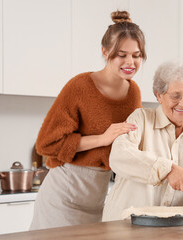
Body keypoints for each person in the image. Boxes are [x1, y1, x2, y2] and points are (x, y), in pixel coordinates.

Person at [30, 10, 146, 230]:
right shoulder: (80, 86)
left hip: (98, 196)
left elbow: (136, 137)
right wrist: (102, 139)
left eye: (137, 55)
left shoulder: (134, 92)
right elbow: (46, 143)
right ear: (105, 51)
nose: (130, 62)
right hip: (62, 196)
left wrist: (178, 126)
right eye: (121, 54)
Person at [102, 60, 183, 222]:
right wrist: (167, 169)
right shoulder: (140, 119)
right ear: (159, 96)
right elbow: (119, 156)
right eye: (175, 96)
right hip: (126, 229)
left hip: (174, 233)